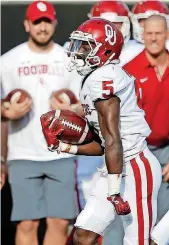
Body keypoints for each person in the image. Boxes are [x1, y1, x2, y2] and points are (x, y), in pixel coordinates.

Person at [45, 17, 169, 245]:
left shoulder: (104, 79)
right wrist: (63, 146)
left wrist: (115, 191)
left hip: (135, 166)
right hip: (115, 163)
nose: (79, 52)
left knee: (140, 242)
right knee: (83, 236)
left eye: (87, 46)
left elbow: (112, 139)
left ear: (105, 50)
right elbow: (104, 144)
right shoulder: (96, 77)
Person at [0, 1, 79, 244]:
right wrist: (7, 111)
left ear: (55, 23)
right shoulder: (8, 61)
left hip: (61, 152)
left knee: (60, 221)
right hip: (23, 152)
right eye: (37, 22)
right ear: (27, 25)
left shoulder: (69, 59)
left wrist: (70, 109)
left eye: (46, 21)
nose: (42, 27)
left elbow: (83, 105)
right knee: (27, 222)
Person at [119, 14, 169, 245]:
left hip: (166, 152)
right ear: (142, 36)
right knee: (128, 218)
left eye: (158, 33)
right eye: (149, 33)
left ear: (168, 35)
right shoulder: (127, 72)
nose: (153, 38)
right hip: (135, 151)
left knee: (165, 221)